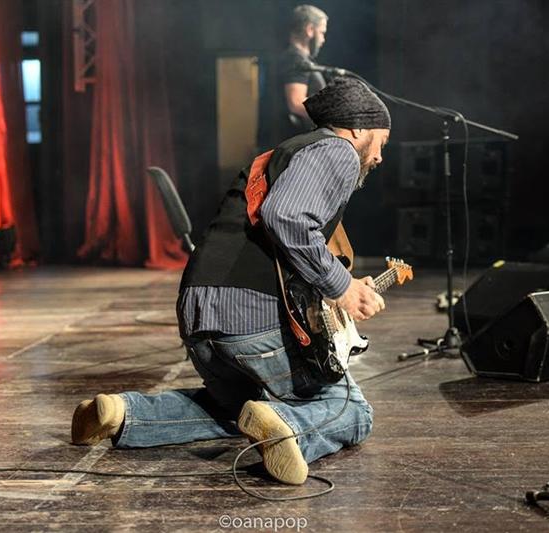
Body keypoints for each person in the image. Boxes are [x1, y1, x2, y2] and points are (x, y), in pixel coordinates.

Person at [71, 78, 391, 486]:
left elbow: (280, 232)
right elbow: (287, 218)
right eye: (382, 140)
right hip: (249, 319)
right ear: (359, 129)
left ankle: (121, 414)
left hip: (199, 316)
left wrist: (336, 282)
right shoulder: (337, 150)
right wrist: (342, 287)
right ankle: (290, 430)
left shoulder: (283, 155)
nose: (380, 156)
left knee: (239, 411)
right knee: (351, 410)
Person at [275, 5, 330, 140]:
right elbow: (296, 102)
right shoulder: (294, 59)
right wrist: (332, 117)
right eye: (322, 32)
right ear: (310, 30)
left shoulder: (298, 58)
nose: (323, 39)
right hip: (298, 143)